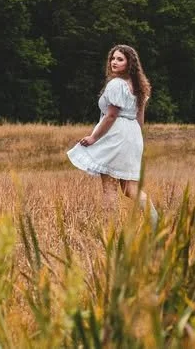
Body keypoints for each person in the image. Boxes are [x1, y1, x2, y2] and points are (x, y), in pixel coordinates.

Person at [67, 44, 159, 228]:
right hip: (133, 136)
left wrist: (93, 138)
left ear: (129, 63)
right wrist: (135, 140)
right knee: (130, 188)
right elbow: (140, 119)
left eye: (120, 59)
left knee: (109, 187)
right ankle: (156, 222)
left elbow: (111, 115)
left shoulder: (116, 84)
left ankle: (110, 230)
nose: (114, 62)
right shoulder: (139, 86)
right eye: (113, 58)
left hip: (116, 135)